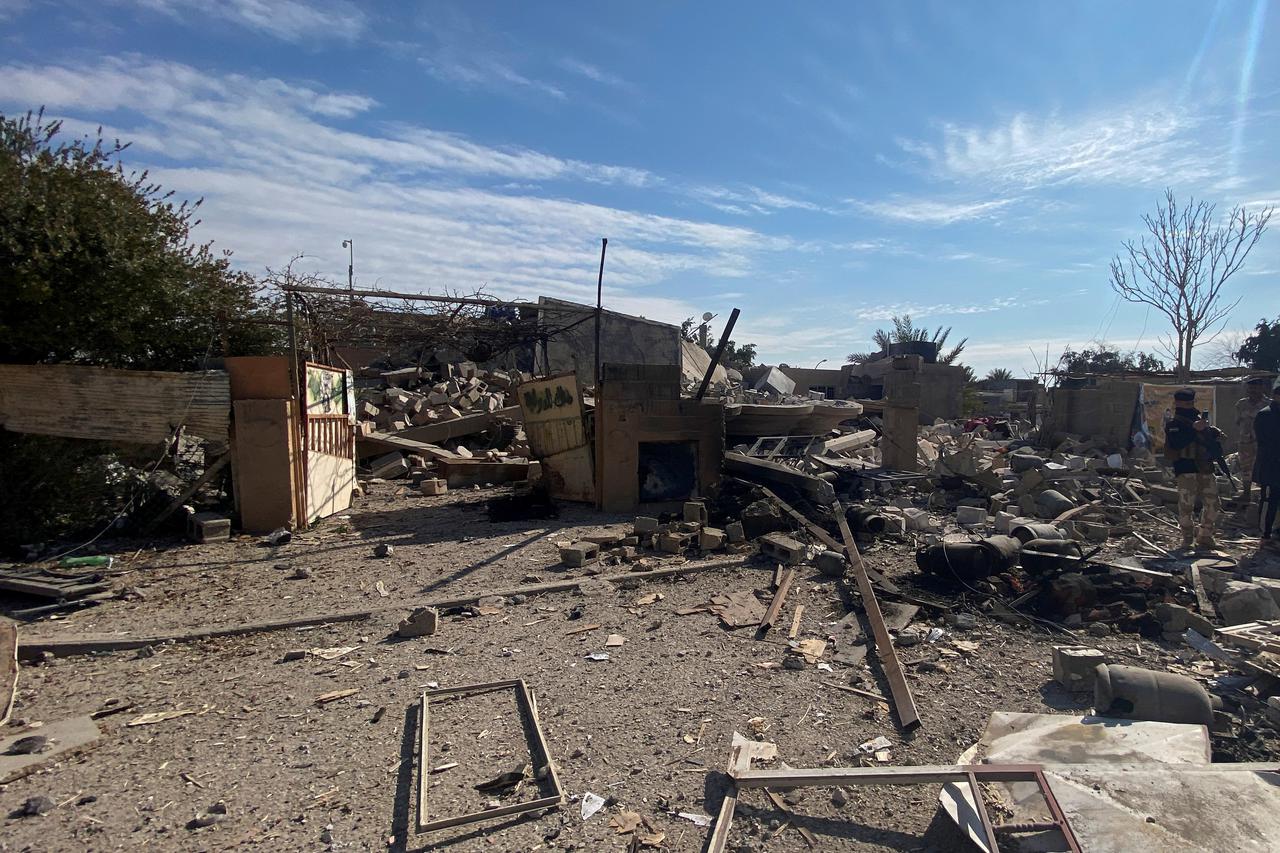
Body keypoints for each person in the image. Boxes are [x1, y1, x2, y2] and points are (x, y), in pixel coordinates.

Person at [1164, 388, 1223, 550]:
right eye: (1185, 403)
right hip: (1185, 468)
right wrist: (1193, 429)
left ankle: (1205, 535)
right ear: (1177, 403)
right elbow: (1177, 443)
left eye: (1191, 403)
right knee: (1186, 506)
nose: (1189, 406)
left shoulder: (1199, 420)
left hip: (1205, 467)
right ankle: (1187, 538)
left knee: (1213, 503)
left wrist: (1212, 433)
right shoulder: (1173, 424)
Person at [1235, 376, 1271, 510]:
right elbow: (1238, 421)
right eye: (1250, 388)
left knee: (1263, 467)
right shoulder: (1241, 404)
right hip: (1245, 441)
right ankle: (1246, 493)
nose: (1253, 390)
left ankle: (1263, 494)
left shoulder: (1268, 404)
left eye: (1256, 388)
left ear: (1262, 388)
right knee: (1245, 467)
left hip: (1263, 442)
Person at [1255, 380, 1280, 544]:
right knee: (1269, 500)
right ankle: (1265, 534)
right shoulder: (1265, 414)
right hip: (1270, 465)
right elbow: (1265, 442)